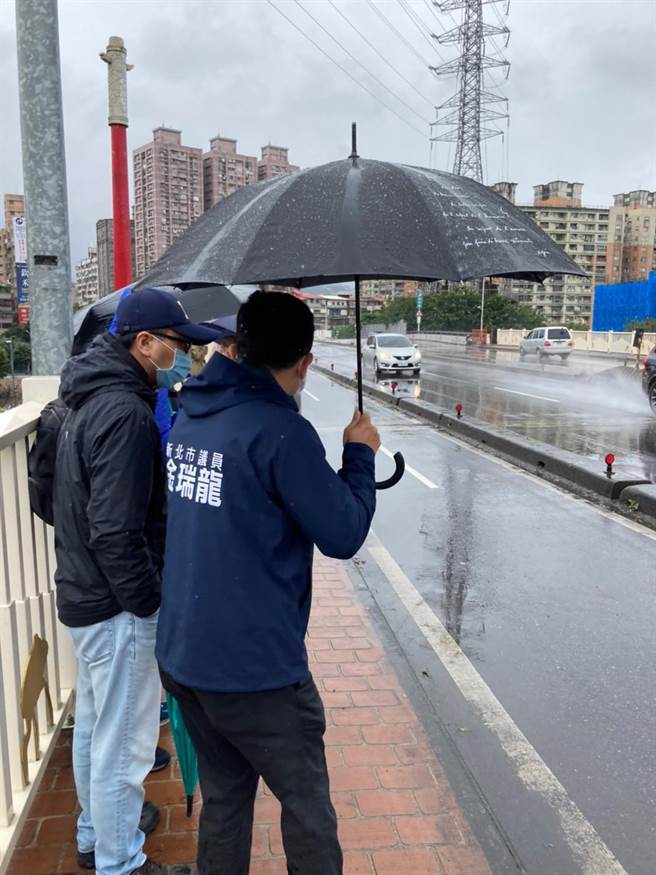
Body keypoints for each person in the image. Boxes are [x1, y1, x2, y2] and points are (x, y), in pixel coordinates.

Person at [157, 290, 380, 875]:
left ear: (240, 343)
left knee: (227, 800)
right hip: (255, 671)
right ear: (303, 363)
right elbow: (343, 533)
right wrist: (358, 457)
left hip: (183, 656)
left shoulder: (189, 416)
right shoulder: (280, 432)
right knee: (307, 808)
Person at [53, 287, 218, 875]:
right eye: (176, 345)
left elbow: (60, 501)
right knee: (123, 744)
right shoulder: (126, 413)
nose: (182, 356)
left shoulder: (81, 398)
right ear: (143, 343)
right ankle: (121, 863)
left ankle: (97, 831)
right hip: (116, 606)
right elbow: (115, 530)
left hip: (82, 595)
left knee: (97, 727)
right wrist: (148, 606)